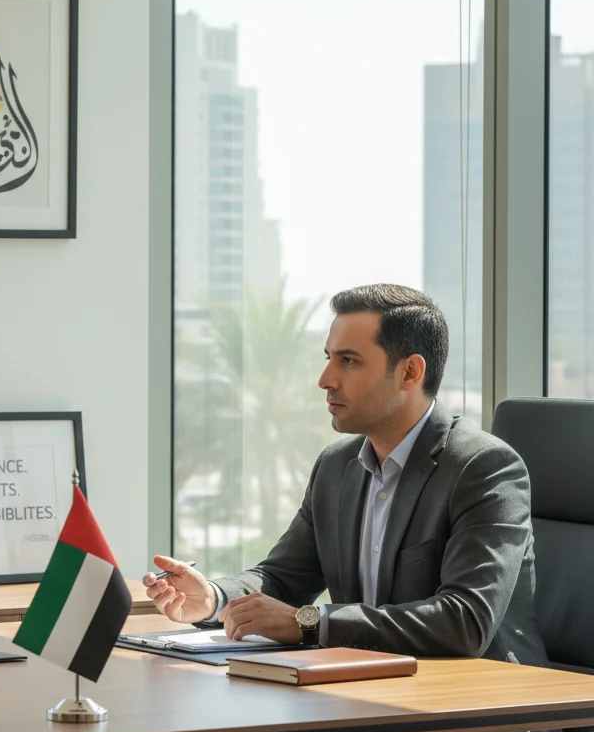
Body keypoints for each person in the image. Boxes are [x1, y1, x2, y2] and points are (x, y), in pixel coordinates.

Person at [146, 284, 548, 665]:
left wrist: (310, 622)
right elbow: (283, 578)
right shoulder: (336, 465)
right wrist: (214, 598)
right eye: (329, 358)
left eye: (349, 361)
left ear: (410, 372)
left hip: (481, 700)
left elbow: (465, 621)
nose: (326, 380)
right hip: (367, 684)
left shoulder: (483, 468)